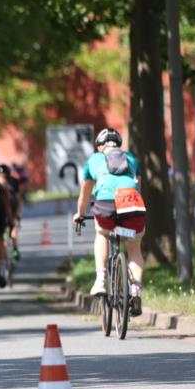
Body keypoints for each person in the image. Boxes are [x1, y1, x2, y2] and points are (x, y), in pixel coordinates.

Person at [71, 127, 146, 316]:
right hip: (131, 203)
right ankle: (136, 290)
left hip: (106, 204)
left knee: (102, 233)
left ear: (100, 146)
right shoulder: (132, 159)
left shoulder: (94, 160)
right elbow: (138, 188)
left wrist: (79, 213)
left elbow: (85, 195)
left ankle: (101, 279)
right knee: (134, 245)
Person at [0, 163, 22, 260]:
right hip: (10, 208)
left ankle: (12, 248)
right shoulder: (14, 181)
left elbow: (18, 198)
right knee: (13, 226)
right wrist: (18, 213)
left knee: (7, 228)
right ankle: (15, 248)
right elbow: (18, 198)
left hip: (3, 209)